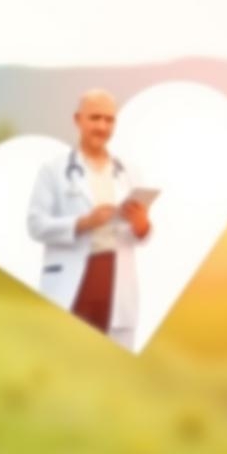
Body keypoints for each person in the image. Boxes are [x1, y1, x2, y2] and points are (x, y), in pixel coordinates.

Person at [26, 88, 151, 350]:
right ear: (77, 120)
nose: (102, 126)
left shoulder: (129, 172)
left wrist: (143, 228)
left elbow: (141, 232)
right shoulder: (54, 171)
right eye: (95, 118)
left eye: (109, 120)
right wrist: (83, 222)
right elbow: (36, 225)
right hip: (74, 282)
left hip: (116, 283)